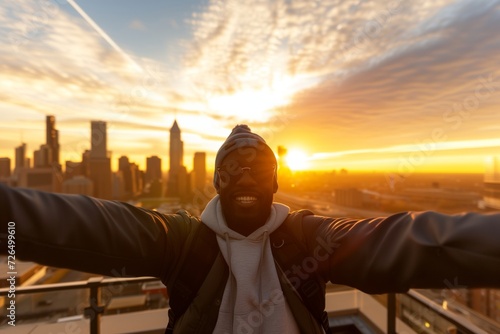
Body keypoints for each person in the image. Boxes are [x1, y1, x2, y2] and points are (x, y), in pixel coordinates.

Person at [1, 124, 500, 334]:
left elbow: (412, 243)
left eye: (257, 170)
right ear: (214, 180)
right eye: (230, 170)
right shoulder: (182, 243)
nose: (244, 179)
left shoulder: (308, 239)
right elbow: (83, 226)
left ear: (277, 182)